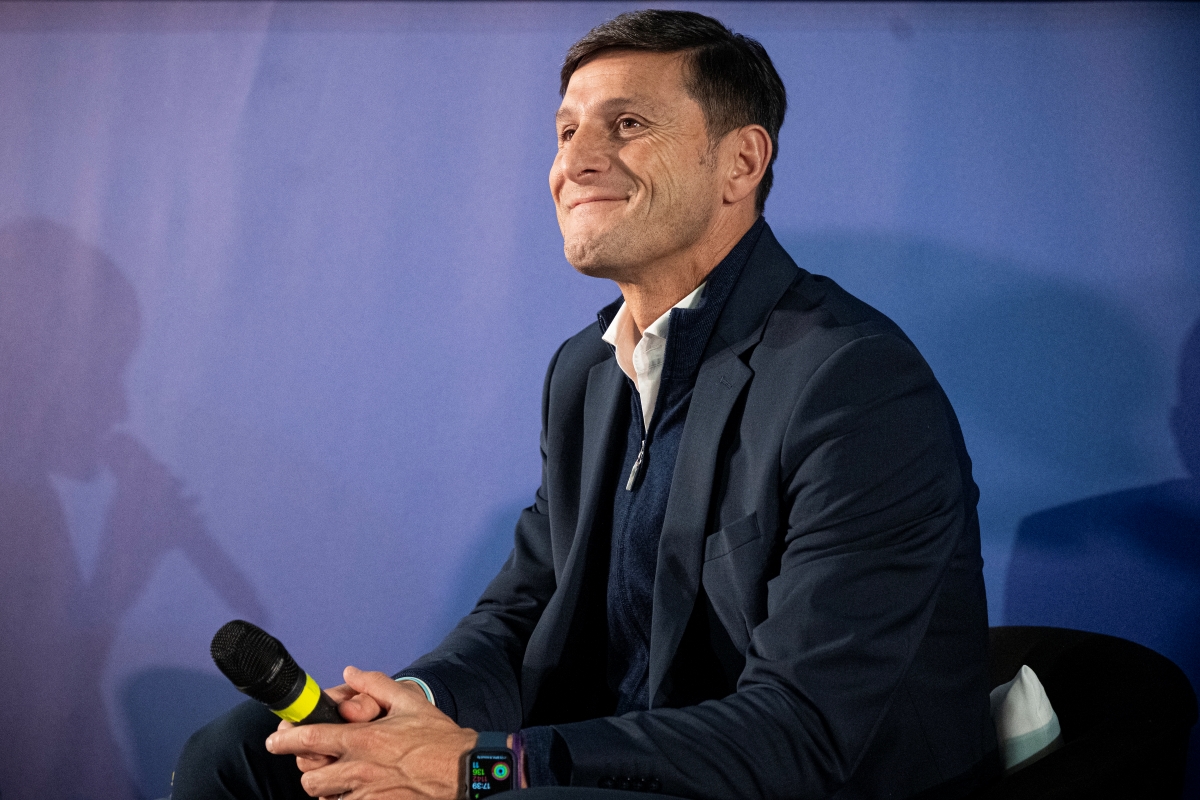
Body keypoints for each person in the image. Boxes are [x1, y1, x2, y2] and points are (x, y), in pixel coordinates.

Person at [174, 10, 996, 799]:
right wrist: (415, 708)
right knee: (242, 756)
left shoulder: (853, 384)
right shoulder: (586, 372)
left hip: (780, 781)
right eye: (567, 132)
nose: (577, 162)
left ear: (740, 164)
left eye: (628, 124)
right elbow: (525, 612)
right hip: (594, 761)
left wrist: (480, 769)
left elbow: (801, 733)